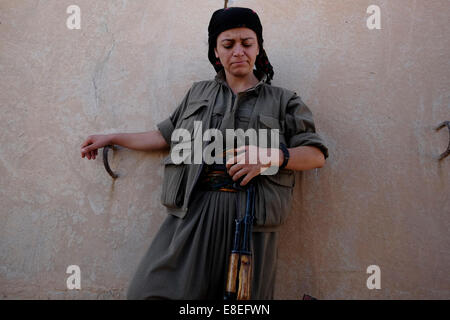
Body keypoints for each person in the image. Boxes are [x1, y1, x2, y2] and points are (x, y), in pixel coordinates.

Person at [80, 7, 329, 300]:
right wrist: (112, 137)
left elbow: (316, 154)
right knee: (147, 292)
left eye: (247, 43)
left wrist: (271, 157)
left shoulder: (284, 100)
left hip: (251, 218)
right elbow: (165, 136)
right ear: (215, 51)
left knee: (240, 304)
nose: (239, 51)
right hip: (194, 212)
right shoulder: (197, 94)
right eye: (228, 44)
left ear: (259, 47)